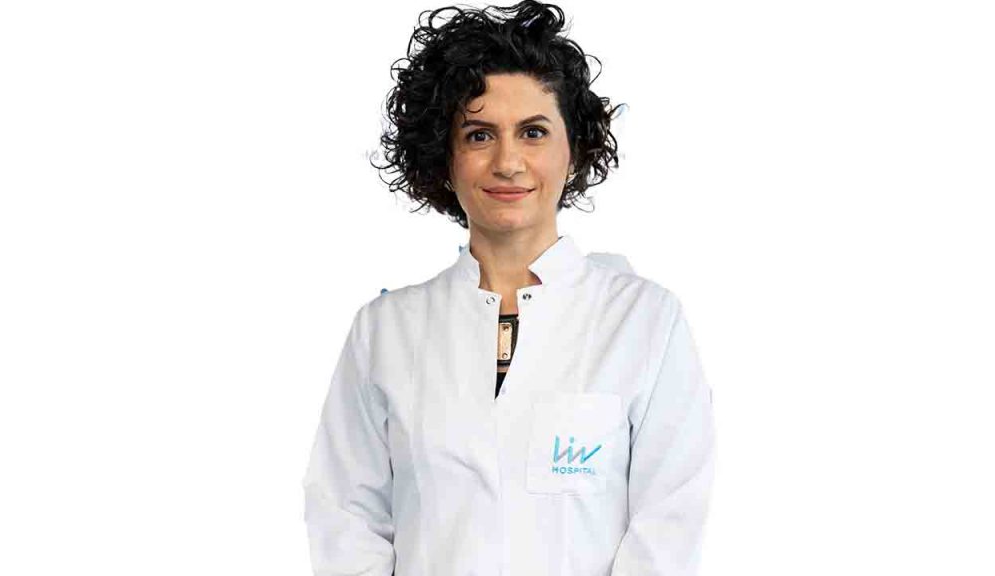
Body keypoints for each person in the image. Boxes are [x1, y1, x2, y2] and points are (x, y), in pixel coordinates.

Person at [301, 2, 716, 574]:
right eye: (479, 135)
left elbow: (670, 523)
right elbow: (346, 518)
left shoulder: (644, 321)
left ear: (574, 149)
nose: (508, 162)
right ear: (444, 157)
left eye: (533, 132)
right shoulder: (385, 330)